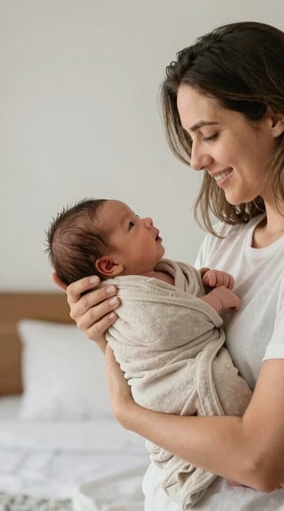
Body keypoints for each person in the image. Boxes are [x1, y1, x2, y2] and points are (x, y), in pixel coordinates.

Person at [53, 21, 284, 511]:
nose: (196, 160)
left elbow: (261, 462)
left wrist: (125, 411)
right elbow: (177, 370)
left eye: (209, 134)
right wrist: (113, 331)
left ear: (274, 118)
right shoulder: (226, 241)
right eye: (191, 138)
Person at [47, 197, 256, 508]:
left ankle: (243, 459)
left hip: (195, 364)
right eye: (131, 225)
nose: (146, 221)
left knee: (230, 397)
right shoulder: (125, 300)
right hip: (166, 383)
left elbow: (187, 293)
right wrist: (217, 302)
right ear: (109, 265)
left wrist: (208, 280)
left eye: (136, 216)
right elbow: (171, 326)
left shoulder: (161, 272)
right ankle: (234, 464)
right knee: (227, 392)